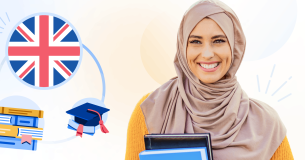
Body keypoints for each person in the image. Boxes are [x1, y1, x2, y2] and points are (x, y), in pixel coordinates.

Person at [125, 0, 294, 160]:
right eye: (196, 41)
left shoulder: (267, 125)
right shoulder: (150, 111)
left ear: (234, 46)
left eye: (218, 41)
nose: (207, 54)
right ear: (183, 47)